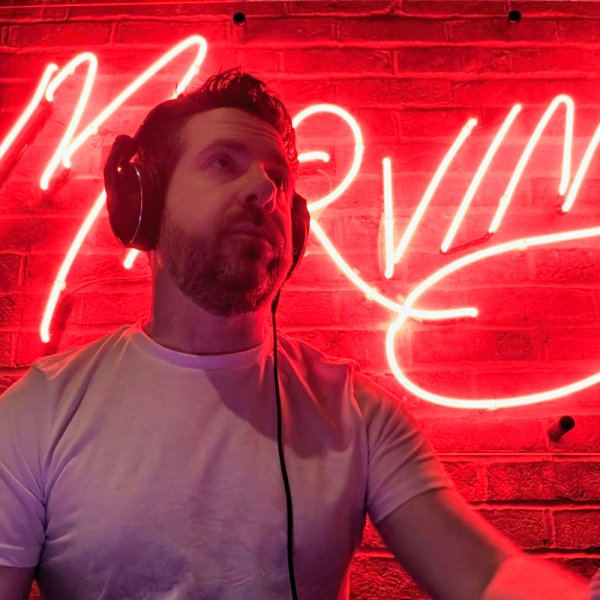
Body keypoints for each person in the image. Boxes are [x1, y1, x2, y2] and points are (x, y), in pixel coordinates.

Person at [0, 68, 589, 600]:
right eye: (222, 162)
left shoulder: (356, 414)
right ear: (145, 202)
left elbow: (485, 576)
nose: (265, 189)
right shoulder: (39, 412)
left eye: (278, 178)